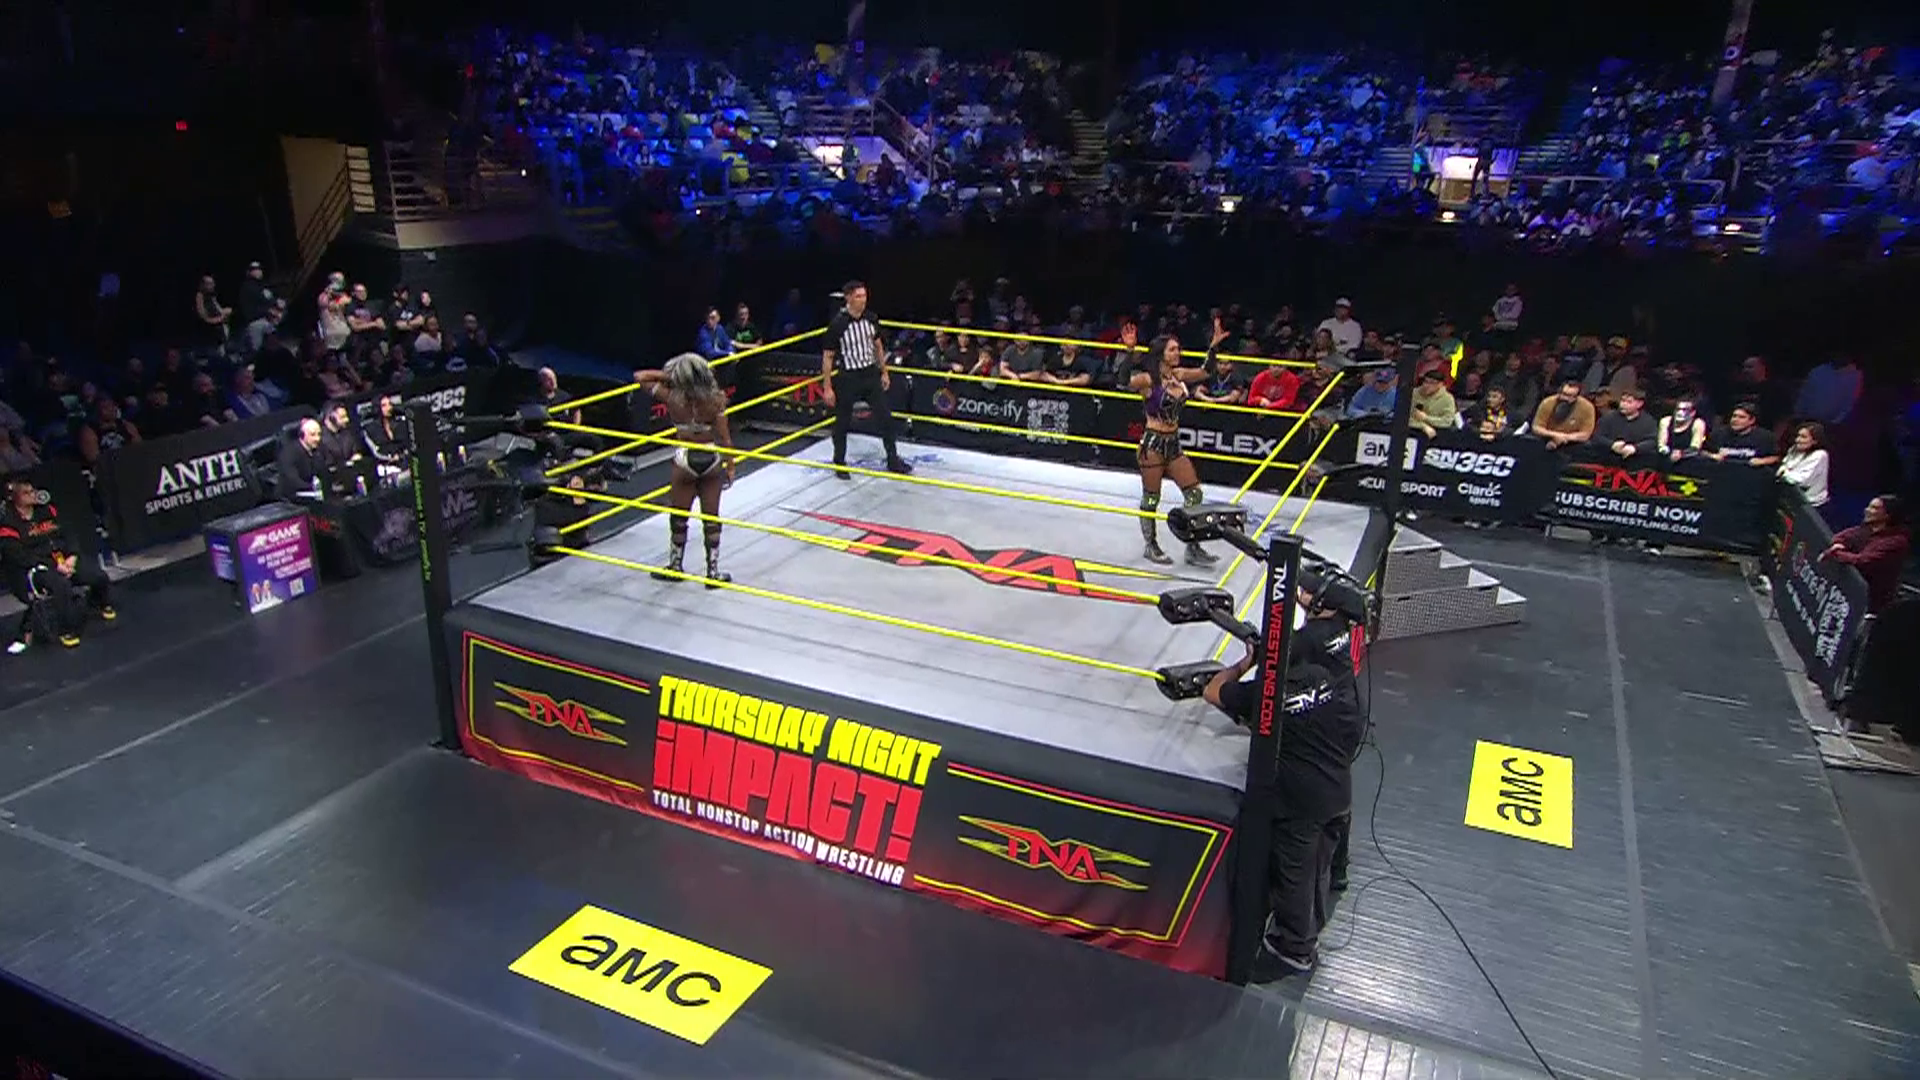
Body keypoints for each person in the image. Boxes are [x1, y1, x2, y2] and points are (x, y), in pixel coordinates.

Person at [1202, 587, 1364, 978]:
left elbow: (1212, 691)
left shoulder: (1267, 695)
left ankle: (1295, 950)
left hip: (1300, 803)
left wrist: (1245, 663)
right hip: (1338, 789)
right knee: (1319, 867)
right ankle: (1318, 914)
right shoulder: (1324, 679)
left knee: (1295, 877)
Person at [633, 353, 736, 585]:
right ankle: (713, 572)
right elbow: (726, 439)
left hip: (685, 458)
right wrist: (731, 466)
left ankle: (676, 565)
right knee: (711, 517)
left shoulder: (673, 398)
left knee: (679, 515)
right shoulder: (715, 400)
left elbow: (640, 377)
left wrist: (670, 376)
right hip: (711, 456)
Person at [1124, 319, 1219, 566]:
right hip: (1153, 445)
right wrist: (1130, 351)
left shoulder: (1179, 375)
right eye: (1173, 349)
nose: (1178, 353)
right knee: (1151, 498)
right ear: (1161, 354)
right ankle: (1151, 544)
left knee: (1194, 494)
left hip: (1174, 444)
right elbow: (1123, 381)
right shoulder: (1148, 380)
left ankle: (1192, 546)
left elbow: (1207, 371)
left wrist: (1213, 346)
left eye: (1178, 349)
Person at [2, 476, 115, 652]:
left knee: (98, 575)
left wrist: (72, 556)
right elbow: (18, 555)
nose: (32, 495)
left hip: (64, 558)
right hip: (37, 567)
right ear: (15, 497)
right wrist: (53, 566)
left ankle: (96, 602)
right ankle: (66, 629)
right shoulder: (9, 523)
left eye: (32, 491)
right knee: (61, 585)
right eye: (26, 493)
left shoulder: (47, 510)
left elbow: (68, 533)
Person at [822, 281, 912, 479]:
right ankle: (839, 462)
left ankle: (893, 459)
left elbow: (878, 346)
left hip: (870, 374)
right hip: (848, 377)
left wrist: (884, 372)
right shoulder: (838, 324)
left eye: (864, 296)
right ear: (848, 298)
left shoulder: (871, 318)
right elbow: (828, 356)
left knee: (885, 417)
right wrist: (827, 387)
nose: (863, 300)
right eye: (858, 296)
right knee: (842, 421)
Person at [1822, 495, 1910, 615]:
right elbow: (1843, 536)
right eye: (1869, 506)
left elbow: (1863, 562)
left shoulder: (1896, 542)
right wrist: (1838, 544)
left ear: (1887, 515)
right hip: (1850, 595)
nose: (1867, 510)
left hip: (1872, 604)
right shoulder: (1867, 528)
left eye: (1874, 508)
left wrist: (1836, 553)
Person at [1778, 423, 1830, 508]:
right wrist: (1785, 472)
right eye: (1798, 436)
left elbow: (1802, 481)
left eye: (1803, 437)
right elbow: (1784, 465)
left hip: (1810, 504)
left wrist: (1784, 473)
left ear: (1815, 440)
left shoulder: (1820, 455)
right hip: (1791, 497)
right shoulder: (1794, 449)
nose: (1797, 440)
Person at [277, 418, 325, 500]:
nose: (317, 439)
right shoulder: (289, 453)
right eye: (312, 435)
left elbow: (323, 473)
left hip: (313, 493)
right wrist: (313, 487)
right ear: (302, 435)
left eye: (319, 434)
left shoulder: (317, 450)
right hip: (290, 498)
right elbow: (293, 481)